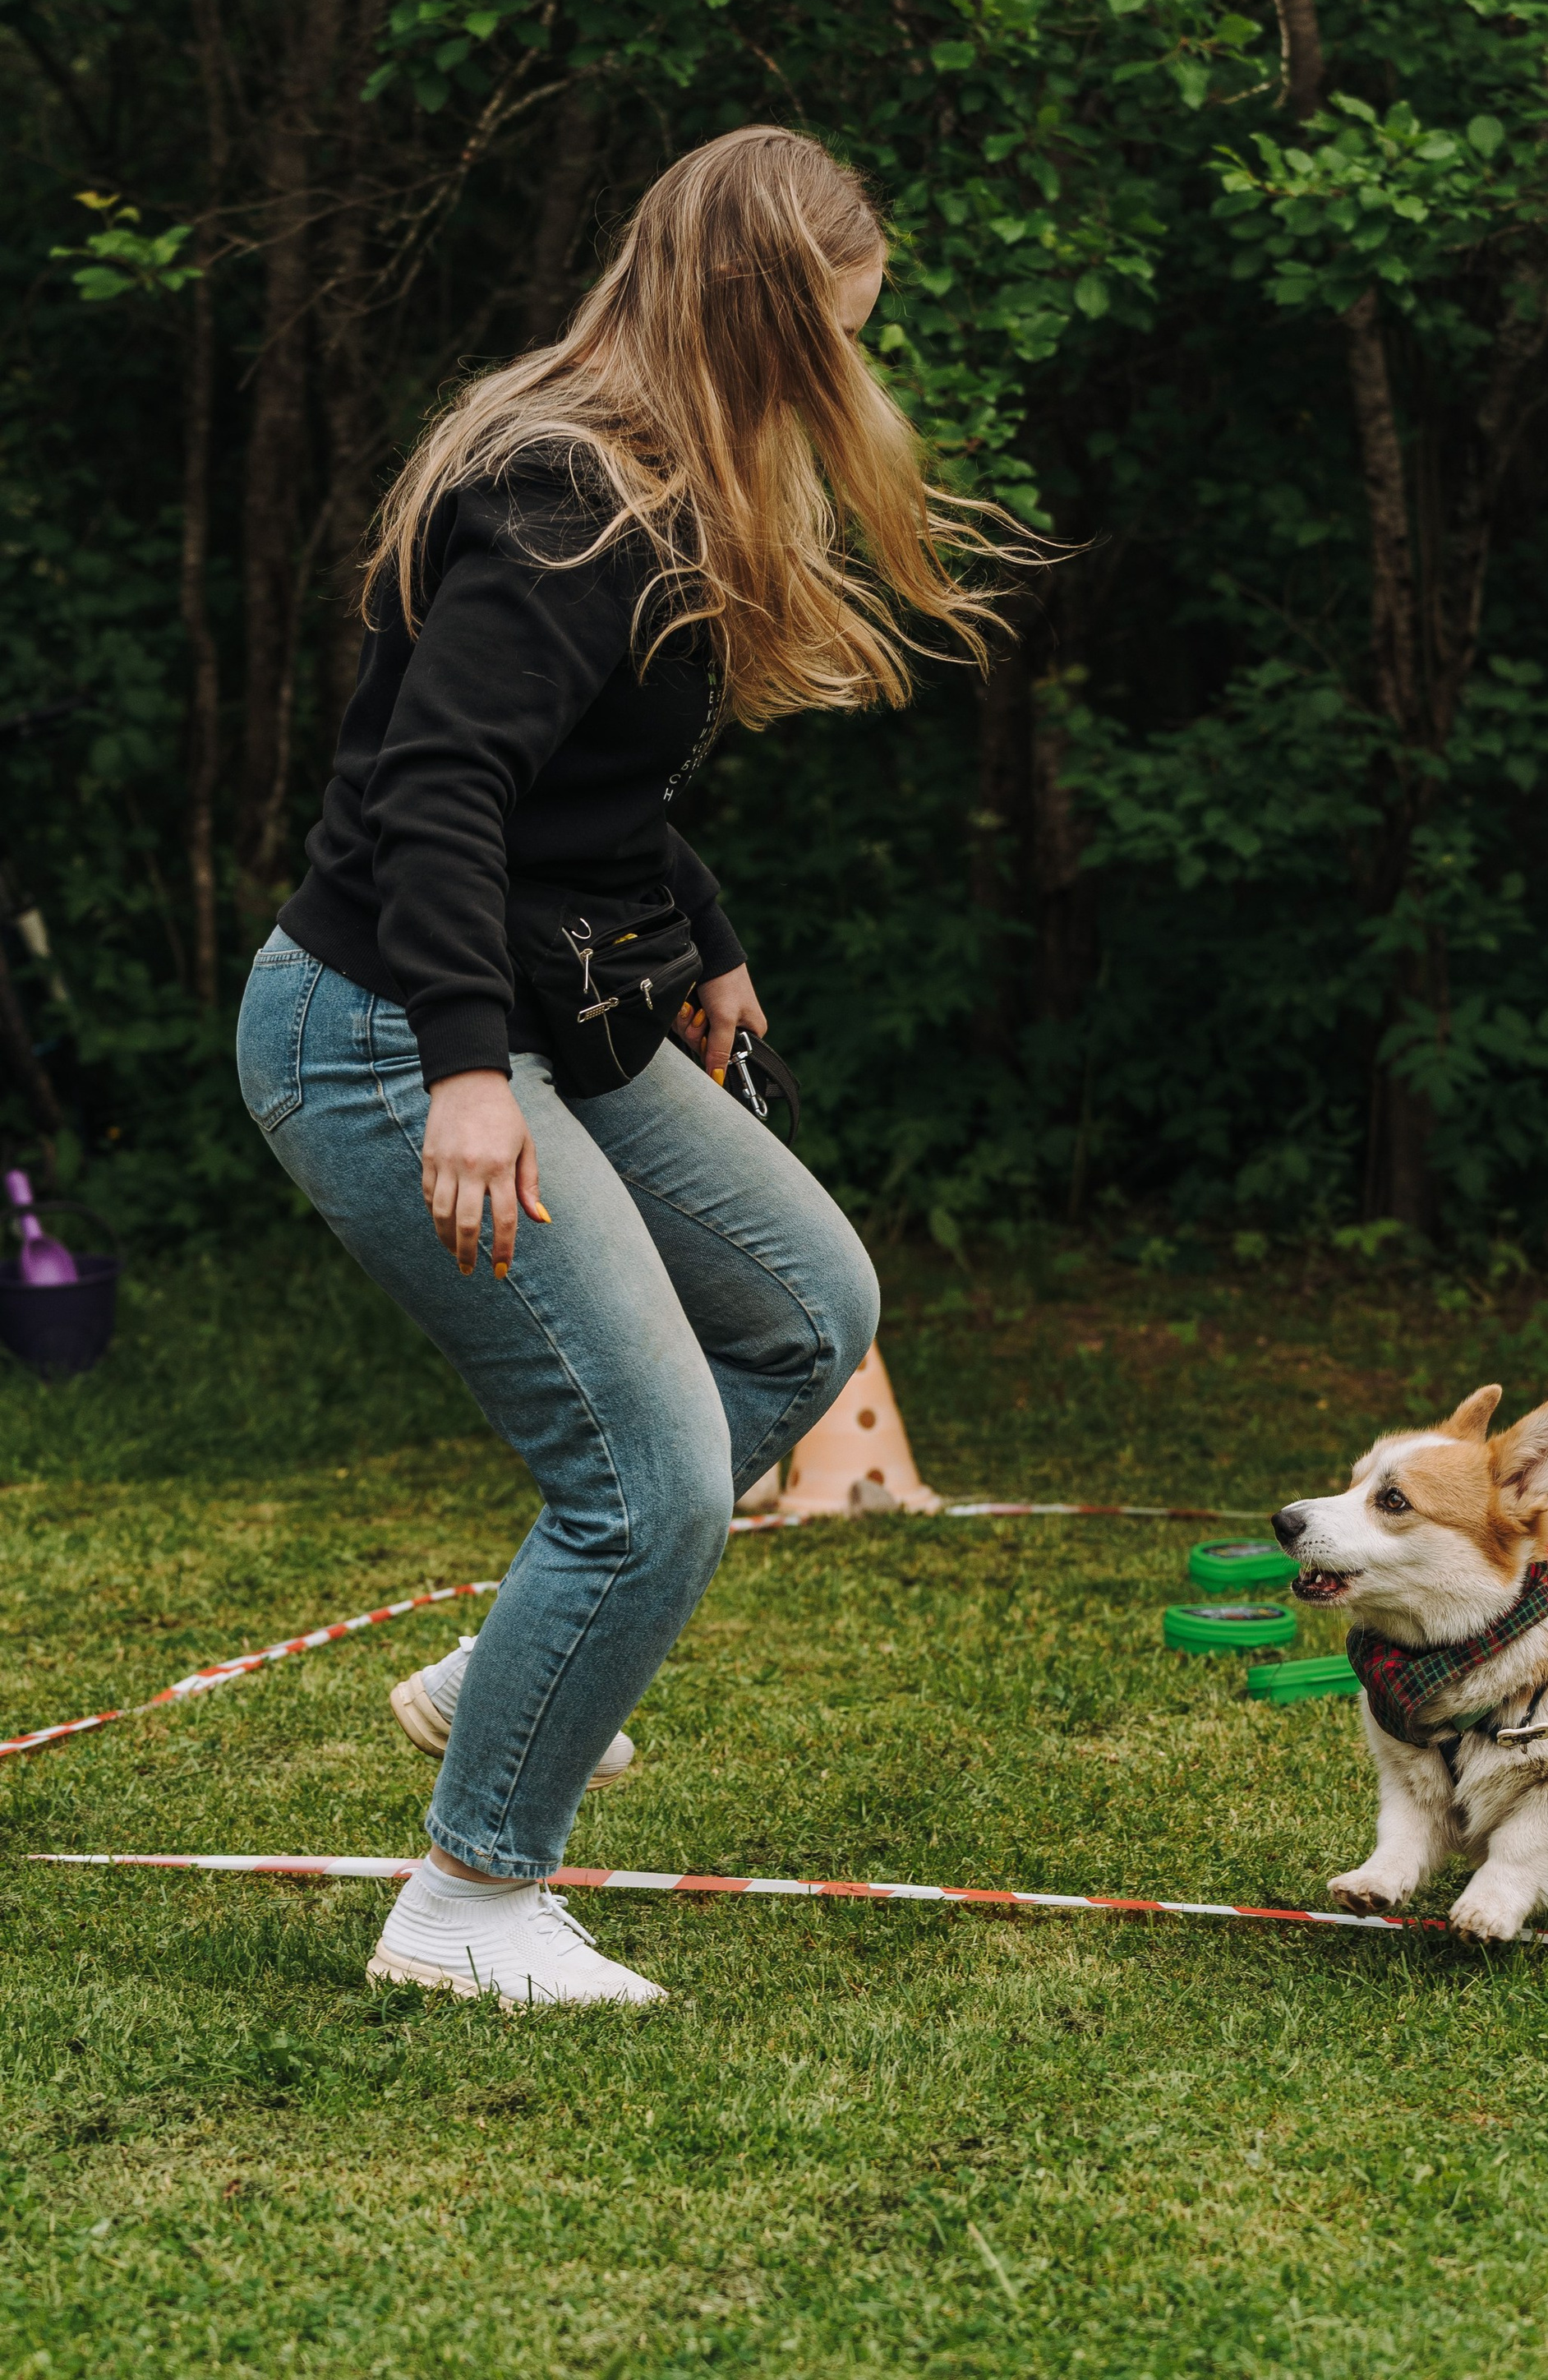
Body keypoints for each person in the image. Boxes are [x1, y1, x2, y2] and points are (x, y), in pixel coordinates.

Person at [237, 127, 990, 2006]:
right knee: (648, 1477)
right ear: (761, 319)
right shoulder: (571, 494)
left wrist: (708, 938)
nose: (852, 373)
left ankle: (510, 1669)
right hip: (389, 1030)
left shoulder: (655, 475)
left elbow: (591, 788)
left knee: (808, 1304)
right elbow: (440, 788)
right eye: (837, 333)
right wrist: (467, 1074)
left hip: (551, 1006)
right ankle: (469, 1898)